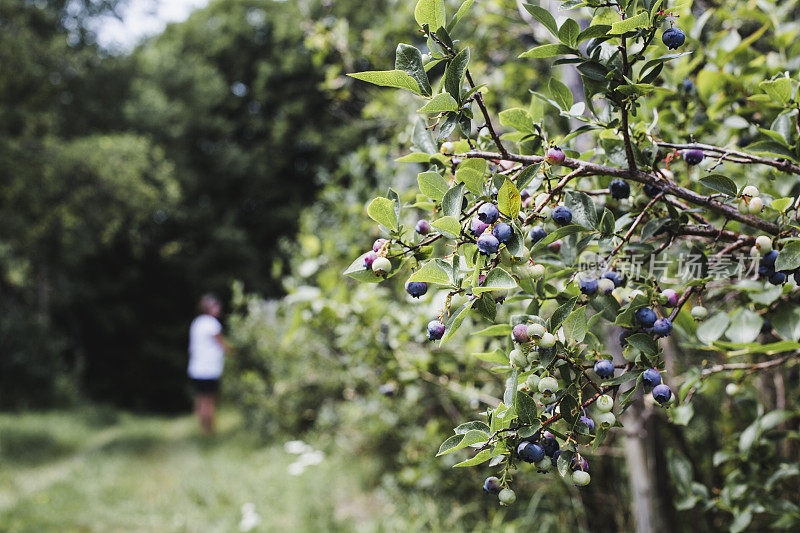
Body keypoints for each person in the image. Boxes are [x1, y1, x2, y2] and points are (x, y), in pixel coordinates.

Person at [188, 294, 229, 436]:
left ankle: (202, 431)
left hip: (196, 368)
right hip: (209, 369)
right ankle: (209, 432)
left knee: (200, 400)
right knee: (209, 401)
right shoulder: (212, 324)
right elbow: (223, 346)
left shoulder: (197, 322)